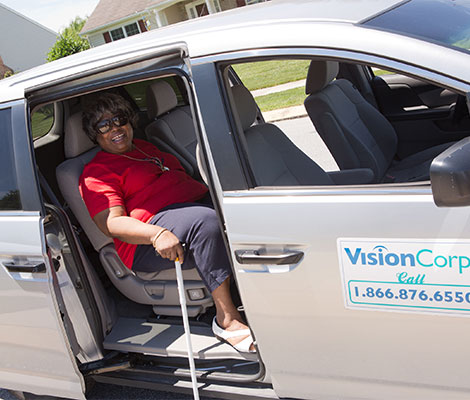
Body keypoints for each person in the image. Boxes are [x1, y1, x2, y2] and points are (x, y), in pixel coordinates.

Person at [79, 92, 255, 353]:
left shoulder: (144, 147)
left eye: (119, 119)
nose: (114, 128)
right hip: (146, 238)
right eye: (103, 125)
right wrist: (156, 234)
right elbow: (111, 224)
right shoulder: (96, 173)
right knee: (205, 222)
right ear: (94, 134)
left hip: (186, 209)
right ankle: (226, 318)